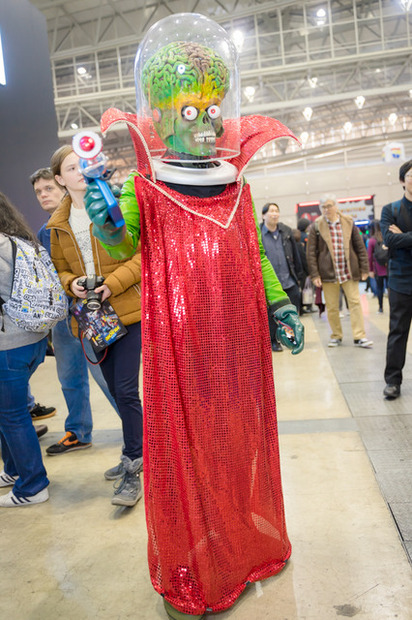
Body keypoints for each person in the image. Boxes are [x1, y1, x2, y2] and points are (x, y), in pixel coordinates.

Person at [84, 13, 304, 620]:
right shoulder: (146, 186)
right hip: (181, 353)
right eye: (190, 110)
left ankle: (245, 541)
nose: (206, 121)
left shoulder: (237, 185)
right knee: (188, 452)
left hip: (237, 344)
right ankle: (198, 560)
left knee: (237, 442)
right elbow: (123, 243)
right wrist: (104, 211)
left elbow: (253, 251)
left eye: (212, 108)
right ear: (155, 116)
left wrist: (279, 303)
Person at [47, 146, 143, 506]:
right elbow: (60, 269)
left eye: (82, 165)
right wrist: (71, 283)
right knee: (118, 393)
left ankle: (134, 466)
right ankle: (136, 452)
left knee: (126, 389)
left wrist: (110, 286)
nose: (79, 172)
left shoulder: (115, 206)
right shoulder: (57, 224)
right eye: (71, 168)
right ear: (60, 178)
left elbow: (138, 258)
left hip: (127, 310)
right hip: (92, 318)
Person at [30, 167, 120, 457]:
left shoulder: (87, 220)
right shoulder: (47, 230)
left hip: (92, 312)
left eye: (49, 189)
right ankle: (78, 432)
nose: (43, 195)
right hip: (62, 318)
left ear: (63, 187)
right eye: (38, 192)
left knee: (107, 377)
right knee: (69, 378)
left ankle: (139, 432)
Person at [0, 191, 50, 507]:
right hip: (32, 339)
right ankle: (14, 469)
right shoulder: (17, 240)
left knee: (13, 416)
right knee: (8, 413)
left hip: (7, 346)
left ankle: (32, 486)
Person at [306, 194, 373, 348]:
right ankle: (336, 335)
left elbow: (360, 247)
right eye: (323, 207)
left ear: (336, 206)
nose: (327, 209)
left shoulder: (348, 222)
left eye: (329, 206)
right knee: (332, 306)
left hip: (348, 271)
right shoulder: (316, 226)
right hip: (328, 274)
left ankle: (359, 336)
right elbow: (310, 253)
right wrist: (315, 274)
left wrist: (364, 268)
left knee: (355, 303)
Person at [380, 159, 412, 400]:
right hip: (401, 281)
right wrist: (397, 239)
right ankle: (393, 381)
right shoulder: (390, 210)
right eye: (411, 175)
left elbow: (399, 241)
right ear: (403, 180)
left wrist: (405, 237)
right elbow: (389, 241)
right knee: (397, 333)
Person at [261, 203, 303, 350]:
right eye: (271, 211)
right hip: (271, 282)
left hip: (288, 279)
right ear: (263, 215)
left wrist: (299, 275)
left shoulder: (286, 231)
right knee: (271, 315)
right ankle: (273, 340)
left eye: (276, 211)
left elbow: (295, 254)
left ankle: (290, 338)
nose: (274, 214)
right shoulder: (258, 233)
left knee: (291, 310)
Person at [367, 219, 388, 314]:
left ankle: (380, 308)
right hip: (388, 267)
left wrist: (370, 270)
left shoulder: (371, 241)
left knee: (380, 288)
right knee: (390, 288)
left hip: (378, 269)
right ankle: (392, 307)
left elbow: (369, 257)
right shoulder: (386, 238)